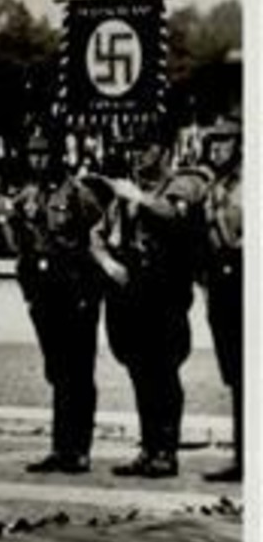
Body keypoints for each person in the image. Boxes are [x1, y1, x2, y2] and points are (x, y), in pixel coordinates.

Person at [0, 126, 106, 474]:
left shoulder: (80, 194)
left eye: (43, 153)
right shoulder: (29, 195)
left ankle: (79, 449)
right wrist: (8, 219)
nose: (37, 160)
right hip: (45, 293)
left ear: (57, 155)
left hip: (75, 290)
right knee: (57, 370)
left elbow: (97, 242)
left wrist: (90, 293)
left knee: (78, 371)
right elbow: (19, 247)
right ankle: (60, 446)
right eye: (32, 153)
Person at [92, 126, 207, 478]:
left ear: (161, 150)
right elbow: (96, 234)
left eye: (145, 148)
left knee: (163, 374)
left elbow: (174, 217)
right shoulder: (126, 191)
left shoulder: (179, 185)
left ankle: (166, 452)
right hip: (129, 297)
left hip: (163, 296)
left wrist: (138, 199)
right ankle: (149, 448)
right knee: (140, 373)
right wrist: (108, 263)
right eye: (135, 149)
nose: (138, 155)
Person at [197, 119, 242, 483]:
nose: (216, 150)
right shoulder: (215, 188)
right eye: (212, 144)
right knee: (236, 374)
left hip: (243, 277)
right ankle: (243, 455)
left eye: (224, 143)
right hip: (221, 285)